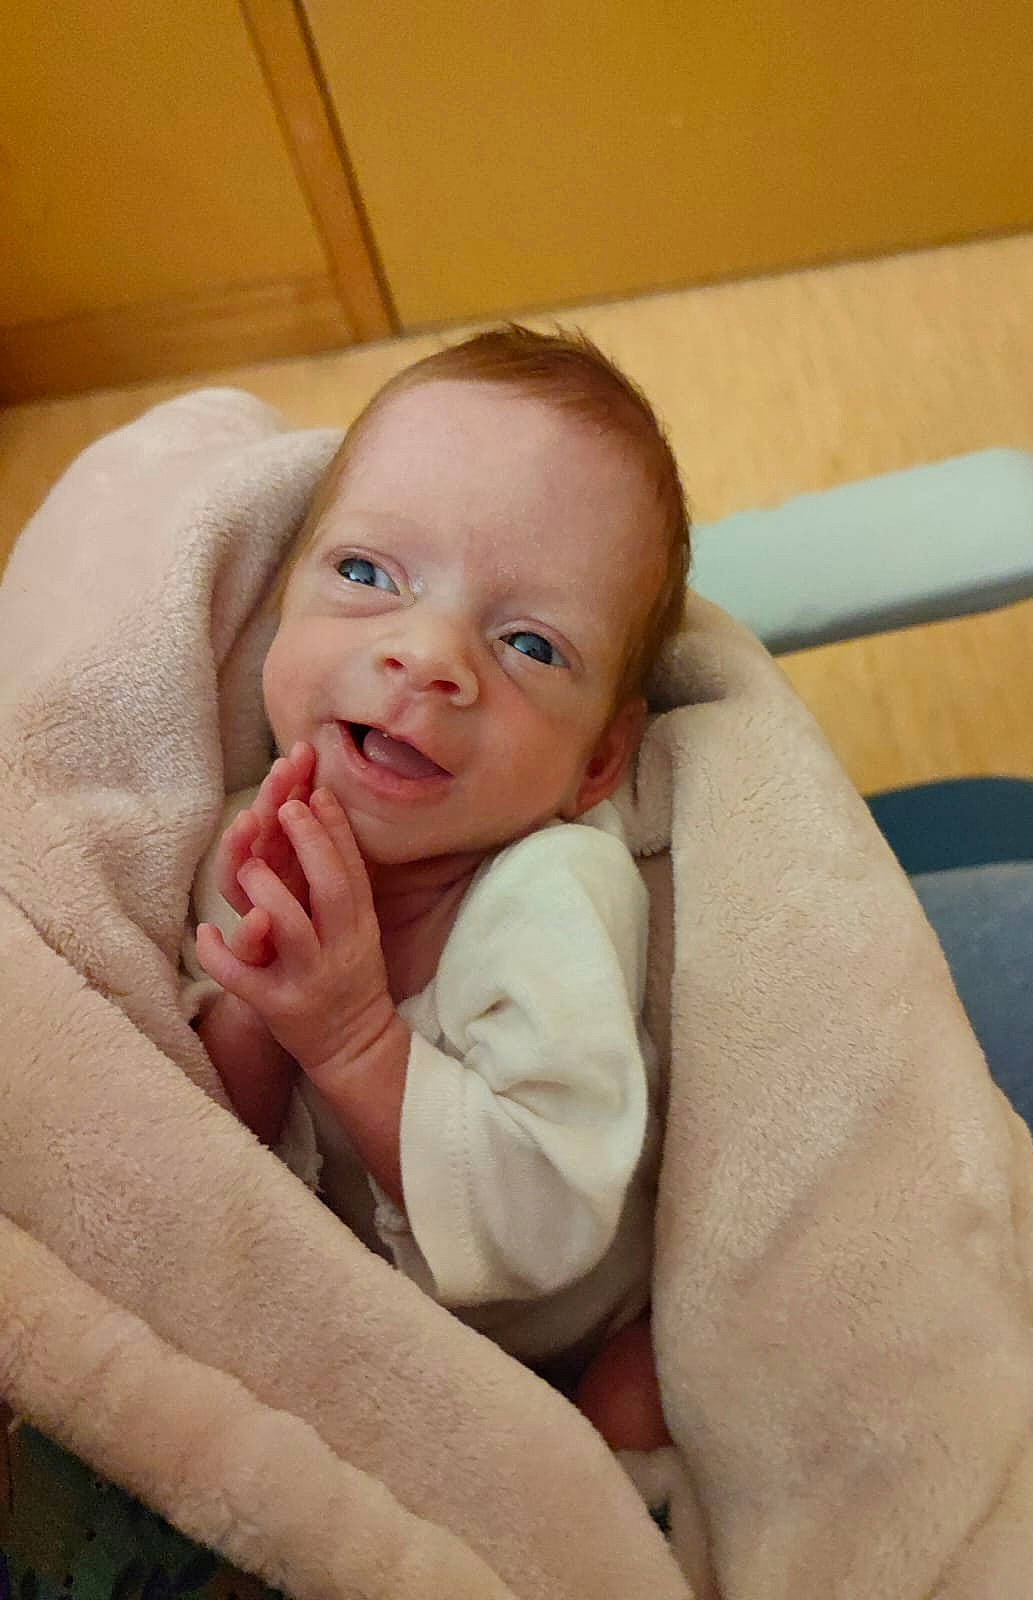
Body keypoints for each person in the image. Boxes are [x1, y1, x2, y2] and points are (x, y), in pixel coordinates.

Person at [187, 323, 690, 1455]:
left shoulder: (550, 893)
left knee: (657, 1391)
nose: (426, 655)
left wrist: (356, 1039)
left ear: (593, 766)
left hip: (568, 1325)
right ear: (281, 617)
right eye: (367, 575)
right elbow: (201, 1146)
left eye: (525, 643)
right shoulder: (255, 835)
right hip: (361, 1344)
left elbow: (554, 1211)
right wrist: (269, 1000)